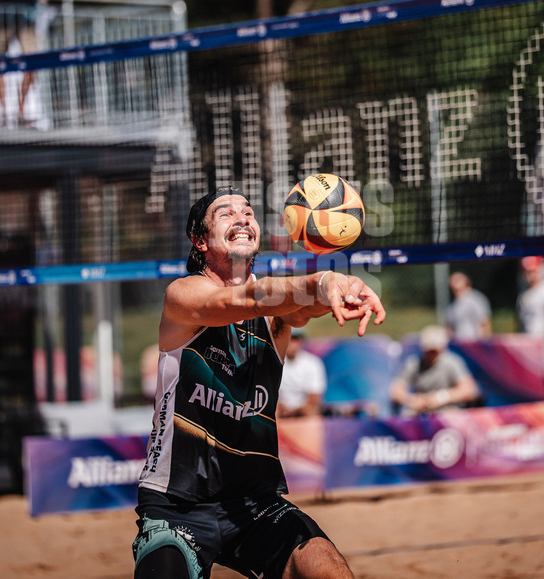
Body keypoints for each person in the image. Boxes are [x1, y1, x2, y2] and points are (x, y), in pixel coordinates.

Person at [133, 186, 384, 579]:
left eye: (248, 212)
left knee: (327, 568)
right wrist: (323, 280)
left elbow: (302, 302)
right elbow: (244, 299)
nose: (243, 217)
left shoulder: (277, 313)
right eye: (226, 213)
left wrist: (345, 288)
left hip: (256, 502)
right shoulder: (184, 296)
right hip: (177, 503)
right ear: (200, 241)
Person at [389, 324, 480, 415]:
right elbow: (396, 391)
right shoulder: (414, 364)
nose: (431, 354)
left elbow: (469, 390)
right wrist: (411, 400)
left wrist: (440, 397)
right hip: (421, 412)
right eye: (429, 350)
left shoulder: (452, 363)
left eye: (434, 351)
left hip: (446, 411)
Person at [276, 327, 327, 419]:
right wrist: (280, 406)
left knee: (311, 411)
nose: (291, 343)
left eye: (294, 339)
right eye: (289, 338)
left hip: (304, 409)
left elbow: (314, 397)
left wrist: (298, 410)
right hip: (281, 409)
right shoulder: (274, 363)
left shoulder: (313, 363)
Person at [445, 271, 492, 341]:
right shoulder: (452, 305)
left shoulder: (476, 299)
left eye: (457, 279)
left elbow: (484, 323)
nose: (454, 282)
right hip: (459, 344)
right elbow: (449, 327)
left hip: (475, 343)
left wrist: (485, 343)